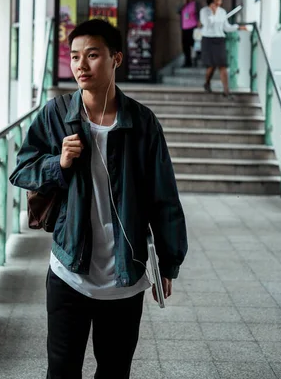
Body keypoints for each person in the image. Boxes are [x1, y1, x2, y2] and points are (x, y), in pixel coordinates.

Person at [10, 19, 187, 379]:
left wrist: (168, 262)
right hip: (69, 268)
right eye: (74, 56)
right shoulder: (56, 114)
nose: (81, 65)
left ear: (116, 58)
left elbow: (163, 196)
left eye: (92, 55)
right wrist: (57, 163)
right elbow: (21, 170)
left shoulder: (142, 122)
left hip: (125, 273)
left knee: (114, 369)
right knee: (61, 369)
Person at [200, 0, 246, 98]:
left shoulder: (222, 12)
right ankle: (207, 82)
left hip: (219, 39)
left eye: (220, 0)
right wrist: (213, 12)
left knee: (222, 65)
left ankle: (226, 90)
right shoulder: (204, 11)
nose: (219, 2)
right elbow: (207, 24)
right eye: (217, 0)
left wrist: (237, 27)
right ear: (212, 0)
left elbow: (226, 27)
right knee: (211, 66)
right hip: (208, 39)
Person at [177, 0, 201, 67]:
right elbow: (178, 11)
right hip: (184, 27)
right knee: (185, 45)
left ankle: (198, 59)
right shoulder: (184, 4)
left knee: (195, 44)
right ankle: (188, 61)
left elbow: (200, 13)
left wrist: (199, 22)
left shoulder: (196, 4)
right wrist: (184, 3)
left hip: (193, 26)